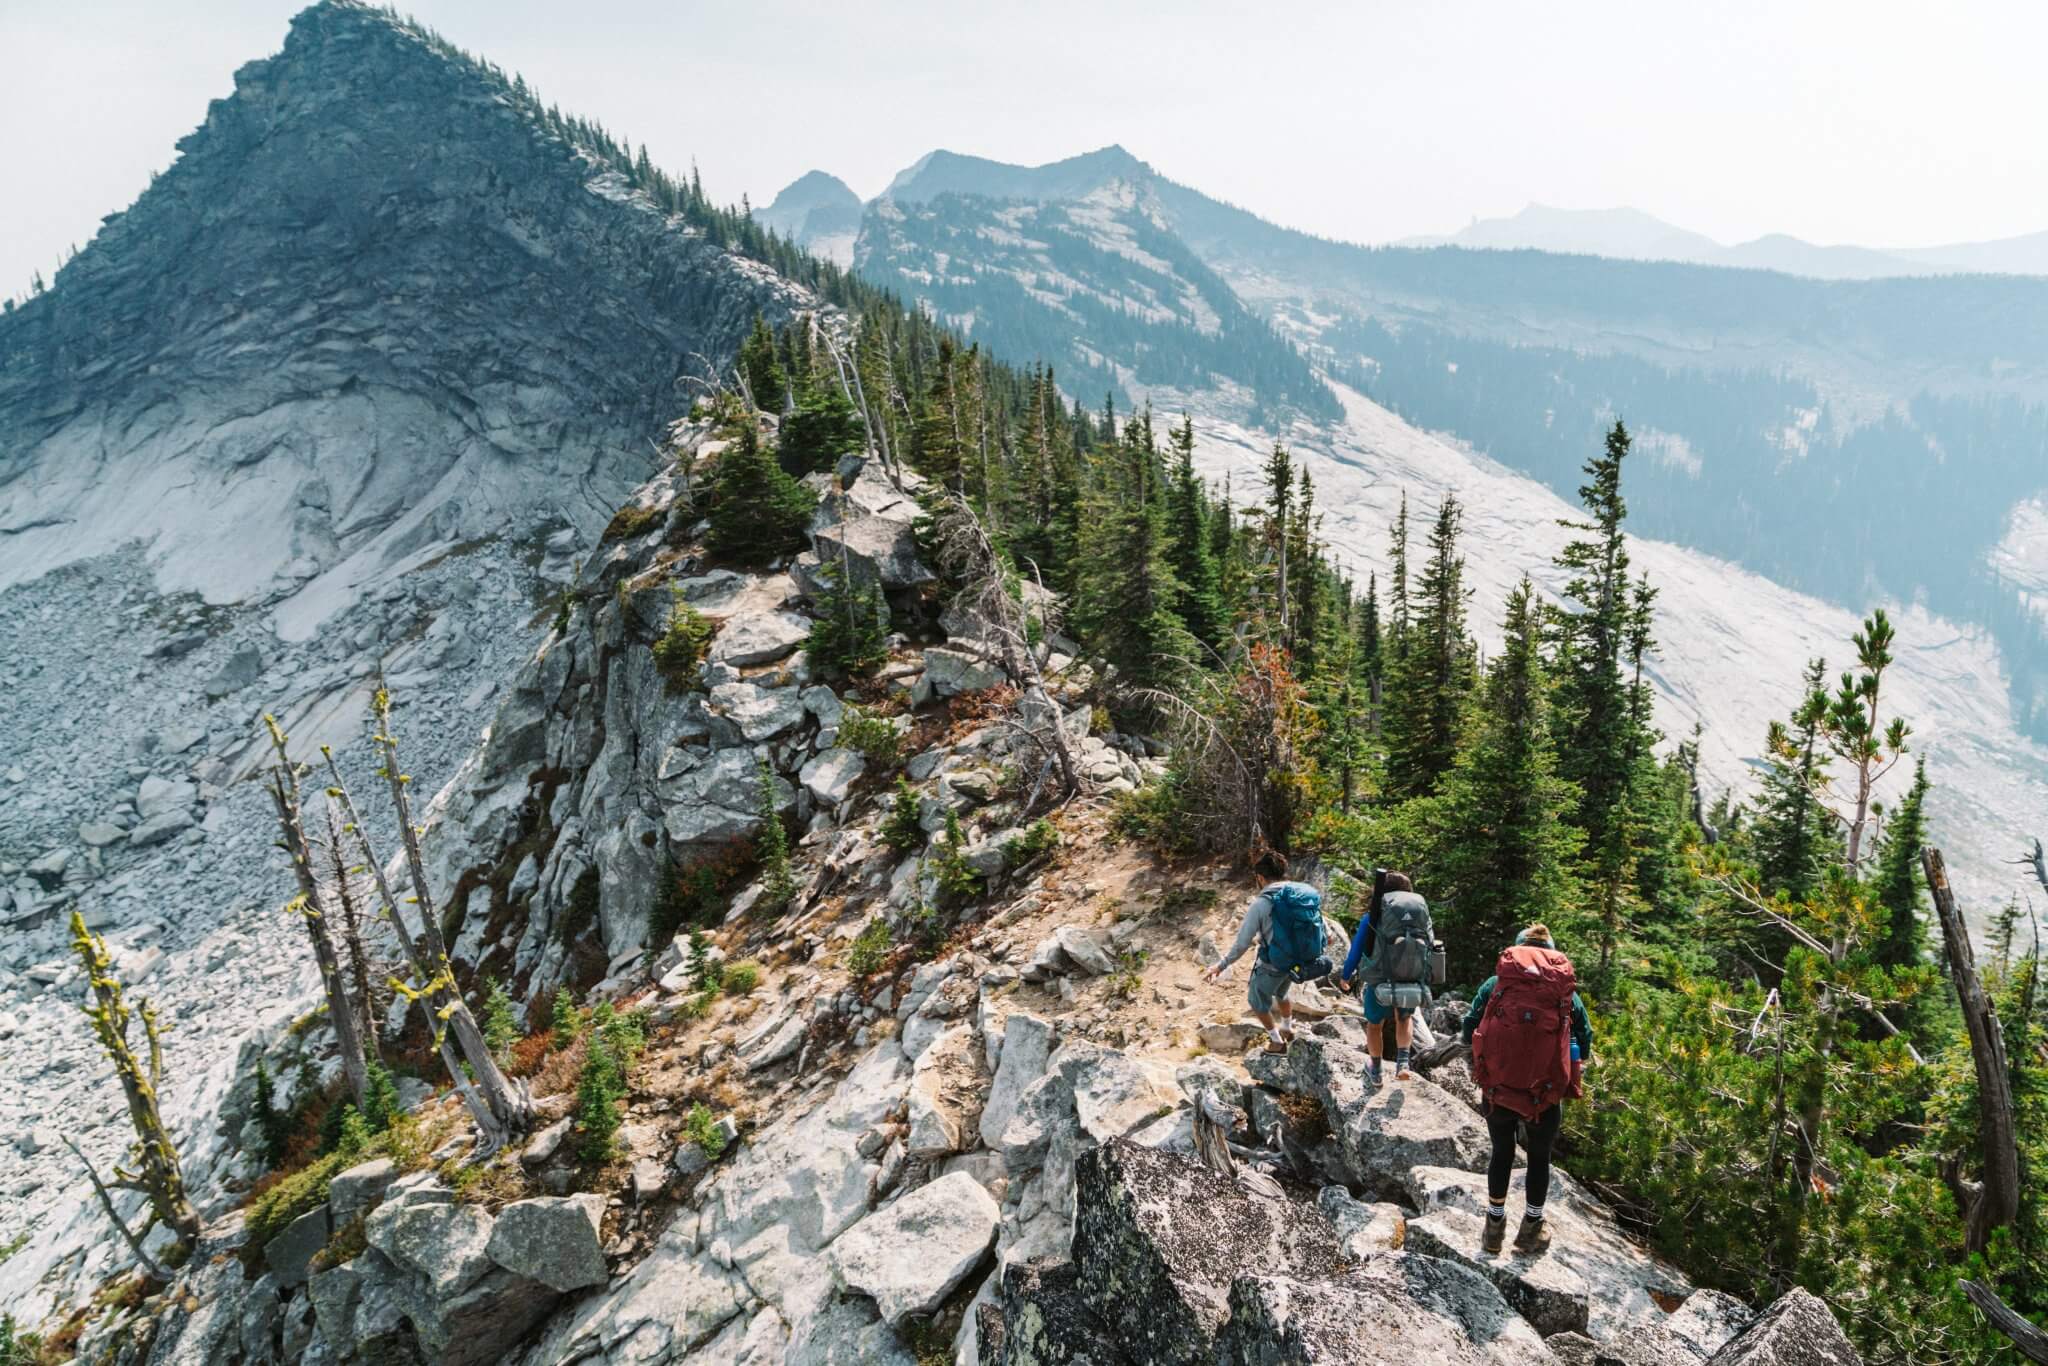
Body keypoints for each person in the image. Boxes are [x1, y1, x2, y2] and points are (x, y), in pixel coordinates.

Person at [1462, 924, 1594, 1256]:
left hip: (1499, 1086)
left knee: (1501, 1151)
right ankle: (1530, 1230)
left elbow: (1468, 1028)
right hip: (1545, 1091)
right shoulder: (1565, 992)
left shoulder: (1498, 983)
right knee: (1539, 1156)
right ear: (1552, 952)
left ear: (1517, 950)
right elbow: (1586, 1039)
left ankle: (1493, 1229)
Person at [1203, 865, 1329, 1056]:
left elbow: (1242, 943)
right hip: (1299, 963)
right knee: (1281, 992)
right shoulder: (1302, 895)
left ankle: (1277, 1042)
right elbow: (1327, 934)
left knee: (1256, 1001)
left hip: (1273, 964)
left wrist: (1221, 966)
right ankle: (1287, 1028)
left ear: (1260, 877)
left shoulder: (1261, 904)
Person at [1337, 870, 1430, 1083]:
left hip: (1379, 980)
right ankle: (1403, 1064)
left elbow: (1356, 950)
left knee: (1374, 1024)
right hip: (1409, 977)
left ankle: (1376, 1069)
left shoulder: (1372, 918)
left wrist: (1346, 975)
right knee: (1404, 1019)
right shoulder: (1419, 917)